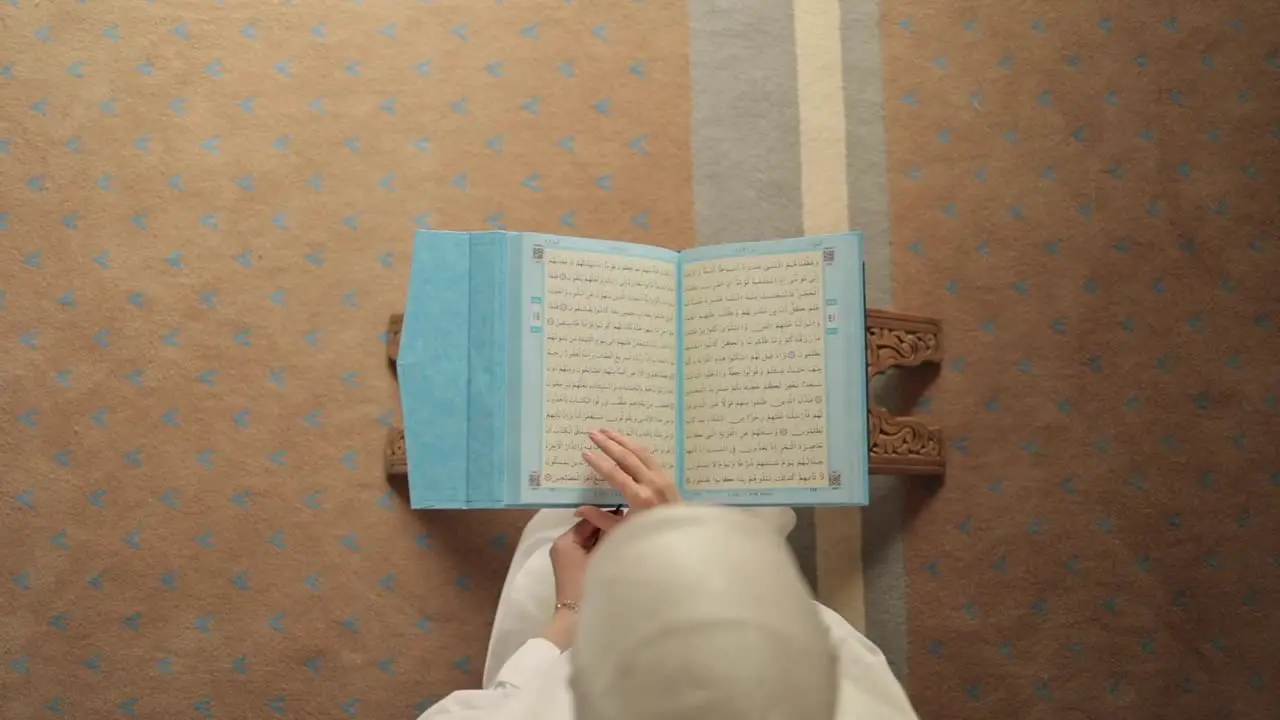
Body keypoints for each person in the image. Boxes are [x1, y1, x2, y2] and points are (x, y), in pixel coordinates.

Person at [418, 428, 918, 719]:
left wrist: (569, 616)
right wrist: (673, 534)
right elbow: (784, 633)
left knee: (561, 530)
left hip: (573, 635)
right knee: (749, 504)